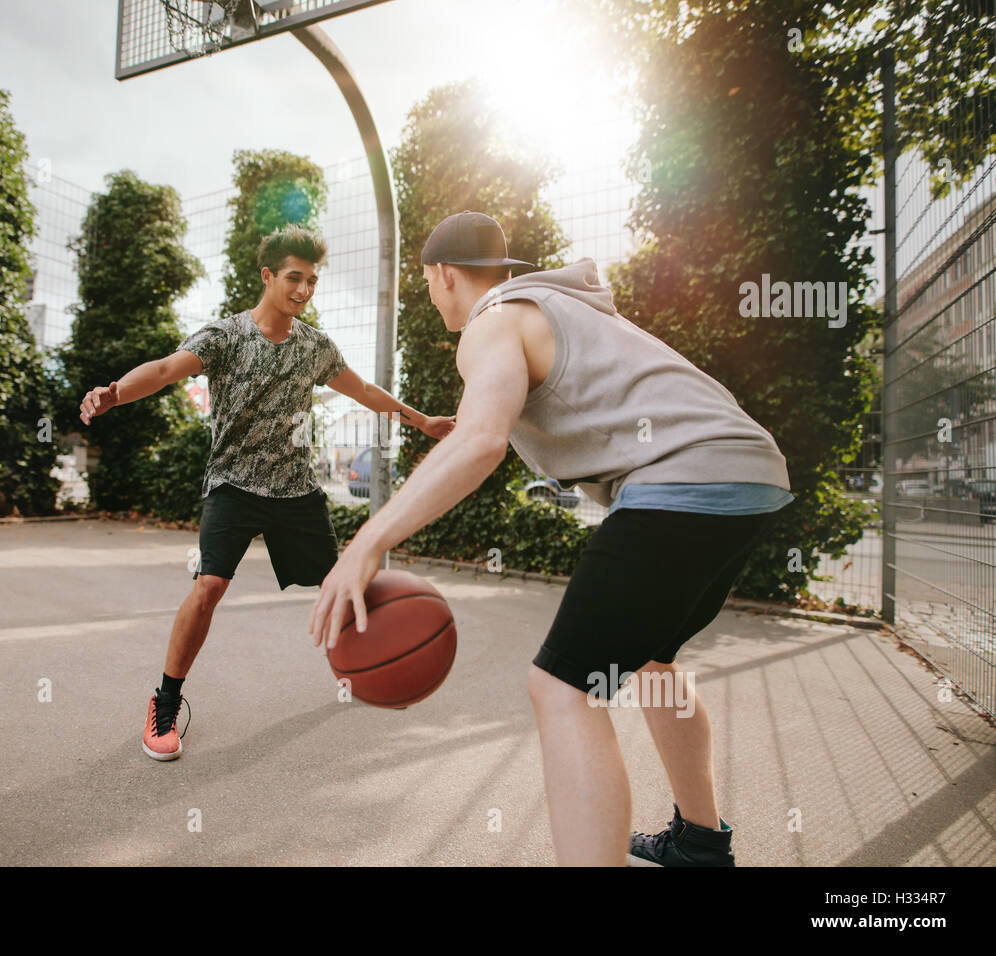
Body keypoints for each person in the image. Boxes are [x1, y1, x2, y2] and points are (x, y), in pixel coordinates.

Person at [309, 211, 793, 866]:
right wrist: (486, 425)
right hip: (748, 478)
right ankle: (701, 842)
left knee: (564, 686)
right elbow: (524, 418)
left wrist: (366, 541)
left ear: (444, 275)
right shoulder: (553, 307)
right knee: (651, 664)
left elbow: (482, 443)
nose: (431, 294)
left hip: (682, 483)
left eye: (428, 282)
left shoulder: (490, 322)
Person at [79, 224, 455, 761]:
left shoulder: (314, 346)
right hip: (233, 484)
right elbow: (165, 370)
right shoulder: (227, 336)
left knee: (342, 585)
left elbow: (365, 390)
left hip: (293, 490)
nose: (303, 290)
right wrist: (114, 394)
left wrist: (421, 422)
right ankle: (164, 701)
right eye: (294, 278)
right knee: (208, 586)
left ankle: (374, 669)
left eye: (312, 281)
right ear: (268, 276)